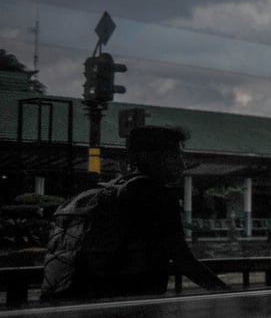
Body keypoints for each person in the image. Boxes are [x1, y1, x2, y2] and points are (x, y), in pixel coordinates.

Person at [42, 125, 229, 299]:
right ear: (147, 157)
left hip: (88, 297)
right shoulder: (154, 194)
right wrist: (228, 295)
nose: (182, 164)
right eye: (174, 156)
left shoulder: (115, 188)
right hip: (129, 303)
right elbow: (184, 259)